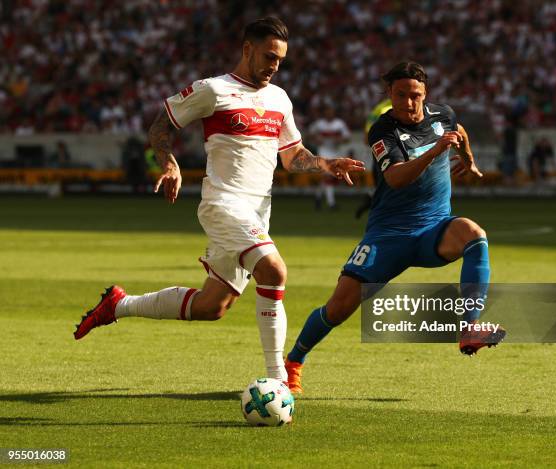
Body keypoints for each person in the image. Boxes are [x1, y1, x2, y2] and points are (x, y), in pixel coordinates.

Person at [73, 17, 365, 383]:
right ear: (247, 50)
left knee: (212, 306)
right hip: (223, 204)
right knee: (274, 271)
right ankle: (279, 381)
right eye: (268, 56)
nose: (274, 65)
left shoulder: (279, 99)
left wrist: (324, 163)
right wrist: (170, 161)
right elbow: (160, 125)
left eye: (280, 60)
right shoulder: (213, 90)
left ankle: (119, 304)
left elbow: (292, 157)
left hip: (258, 213)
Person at [285, 62, 506, 394]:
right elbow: (395, 178)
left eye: (415, 95)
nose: (408, 102)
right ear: (389, 94)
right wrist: (436, 151)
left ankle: (469, 328)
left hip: (434, 229)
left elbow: (458, 131)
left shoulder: (441, 115)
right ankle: (293, 362)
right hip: (389, 236)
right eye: (400, 95)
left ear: (425, 93)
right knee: (339, 308)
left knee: (475, 235)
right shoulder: (383, 130)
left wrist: (469, 158)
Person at [354, 98, 392, 219]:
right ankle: (373, 202)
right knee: (387, 184)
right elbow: (367, 135)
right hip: (389, 152)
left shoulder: (379, 109)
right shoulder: (386, 109)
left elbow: (367, 135)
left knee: (382, 184)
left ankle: (370, 199)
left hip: (381, 153)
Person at [308, 106, 351, 209]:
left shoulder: (339, 124)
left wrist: (340, 140)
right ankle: (331, 203)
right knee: (329, 175)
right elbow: (309, 134)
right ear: (324, 113)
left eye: (331, 112)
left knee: (328, 177)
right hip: (323, 151)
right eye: (327, 112)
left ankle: (318, 197)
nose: (329, 114)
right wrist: (316, 139)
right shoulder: (319, 124)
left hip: (335, 151)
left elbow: (347, 137)